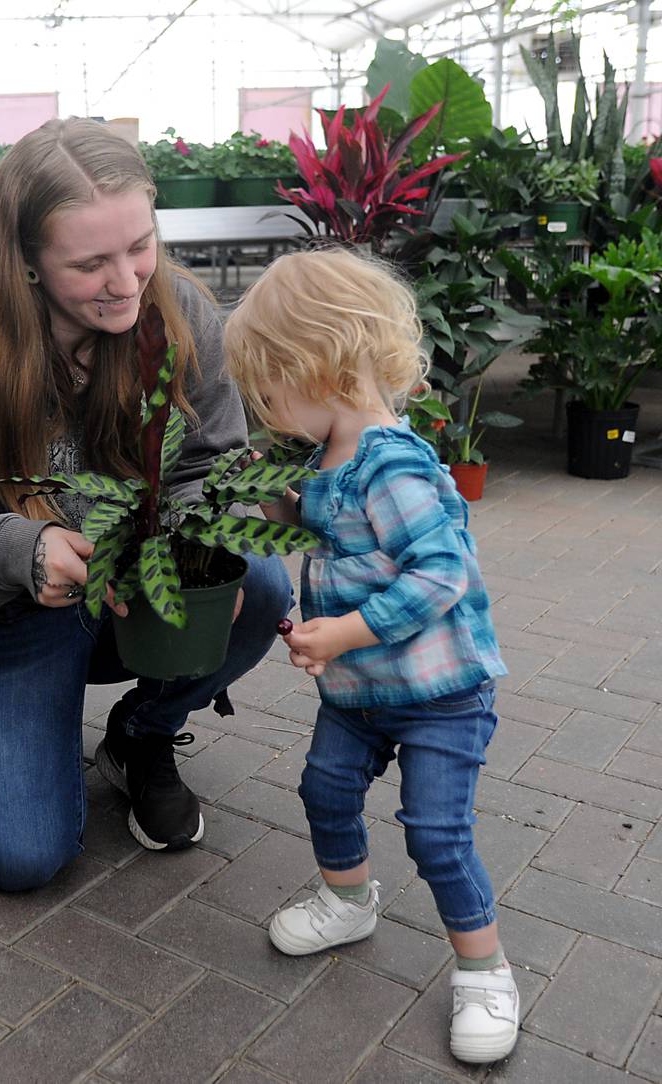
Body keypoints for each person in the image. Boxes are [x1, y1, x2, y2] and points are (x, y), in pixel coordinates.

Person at [0, 117, 292, 893]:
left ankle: (141, 735)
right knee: (22, 858)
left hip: (136, 592)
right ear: (27, 260)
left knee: (259, 581)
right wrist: (22, 551)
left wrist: (192, 539)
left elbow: (217, 463)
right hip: (15, 609)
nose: (128, 281)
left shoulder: (181, 315)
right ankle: (7, 726)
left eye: (140, 246)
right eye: (90, 262)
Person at [223, 246, 516, 1064]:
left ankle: (484, 968)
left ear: (317, 368)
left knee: (436, 831)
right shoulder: (331, 456)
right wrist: (272, 498)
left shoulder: (392, 464)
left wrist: (345, 631)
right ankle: (349, 900)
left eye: (270, 391)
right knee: (325, 787)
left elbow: (443, 573)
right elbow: (326, 528)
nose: (267, 410)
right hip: (362, 691)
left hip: (438, 693)